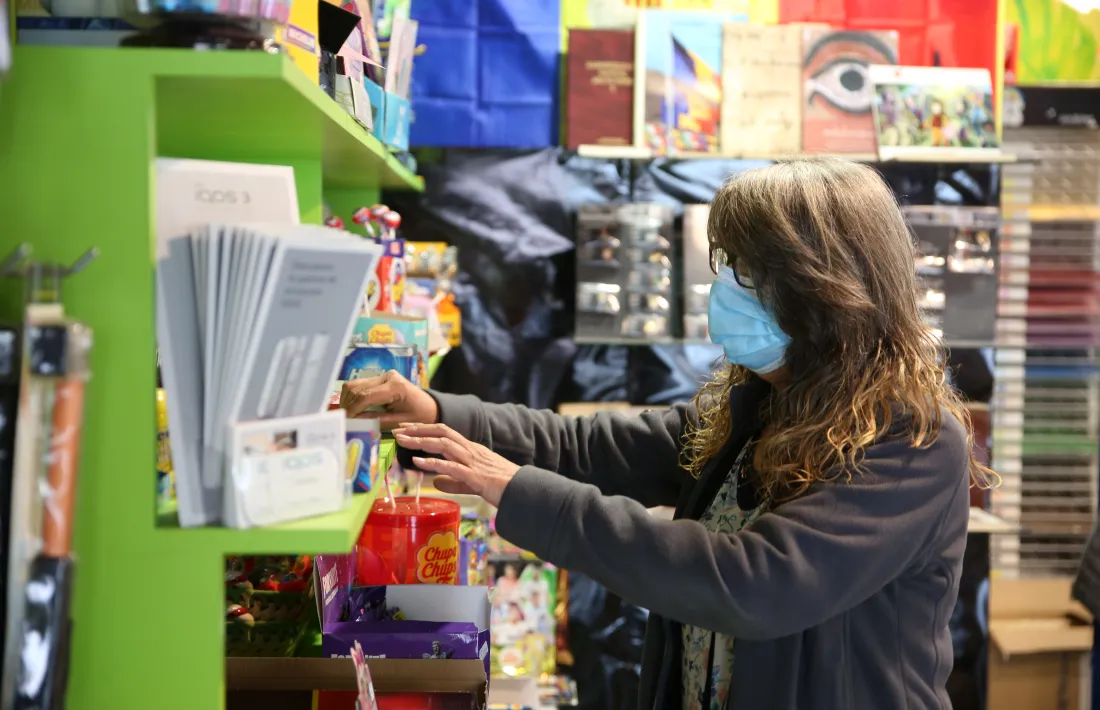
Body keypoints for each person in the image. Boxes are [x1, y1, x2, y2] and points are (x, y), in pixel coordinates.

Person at [340, 158, 996, 710]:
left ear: (824, 288)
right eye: (728, 266)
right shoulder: (766, 404)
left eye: (748, 274)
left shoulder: (911, 441)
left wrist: (523, 496)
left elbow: (756, 583)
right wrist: (434, 411)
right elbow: (590, 447)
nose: (724, 292)